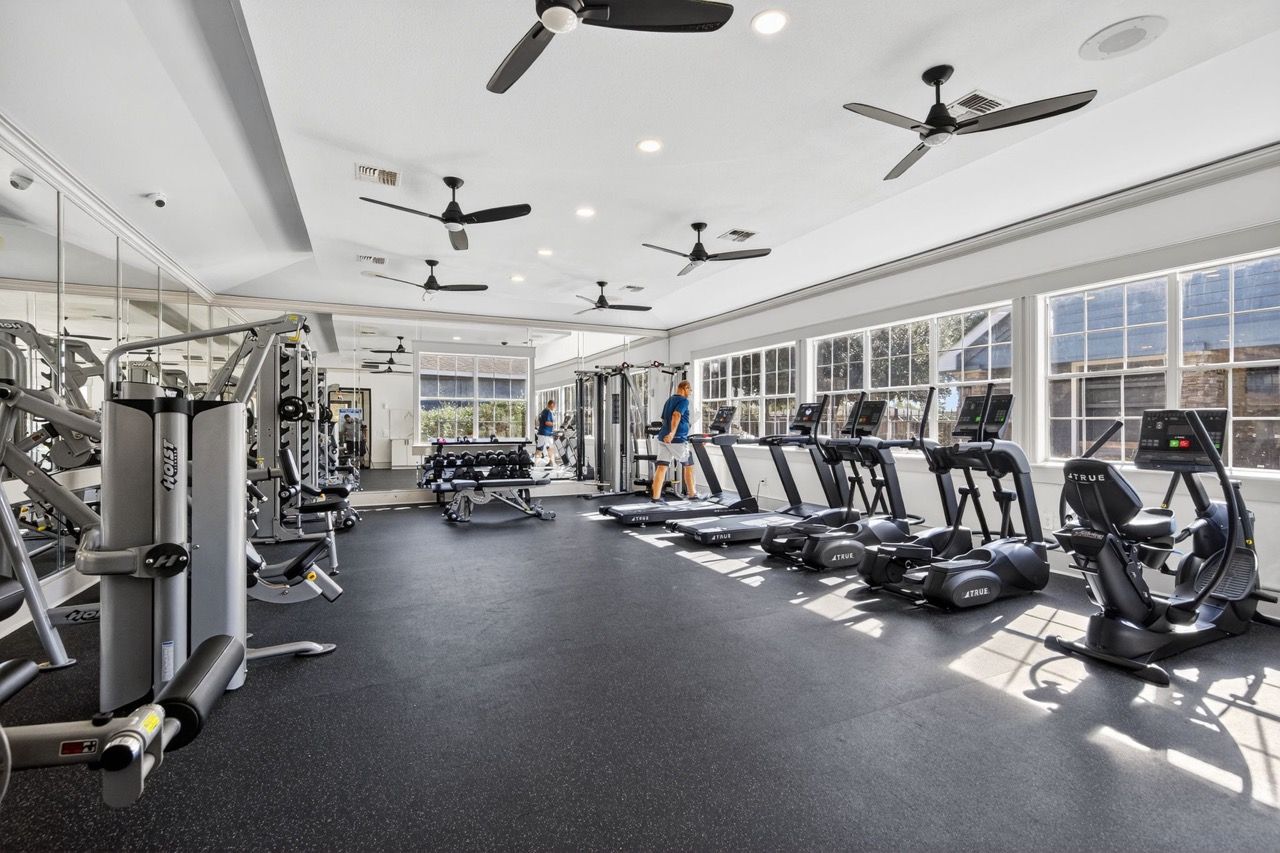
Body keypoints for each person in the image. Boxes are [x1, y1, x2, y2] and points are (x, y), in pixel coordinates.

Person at [653, 380, 696, 501]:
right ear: (685, 388)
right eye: (690, 390)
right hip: (677, 439)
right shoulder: (684, 400)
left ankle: (655, 497)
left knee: (662, 467)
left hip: (663, 438)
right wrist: (672, 433)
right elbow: (676, 415)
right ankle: (693, 494)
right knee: (688, 465)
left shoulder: (669, 400)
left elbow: (664, 419)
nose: (690, 393)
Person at [535, 399, 556, 465]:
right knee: (544, 448)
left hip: (544, 433)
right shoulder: (547, 412)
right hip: (545, 433)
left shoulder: (543, 411)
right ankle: (536, 463)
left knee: (545, 448)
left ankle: (551, 462)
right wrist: (554, 424)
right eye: (554, 406)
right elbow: (547, 422)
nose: (554, 407)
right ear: (551, 405)